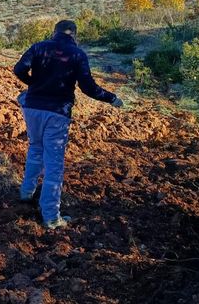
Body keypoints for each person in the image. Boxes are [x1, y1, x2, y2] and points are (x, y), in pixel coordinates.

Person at [13, 19, 124, 229]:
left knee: (35, 148)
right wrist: (111, 98)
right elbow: (88, 87)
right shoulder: (78, 54)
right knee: (54, 165)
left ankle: (26, 192)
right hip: (57, 112)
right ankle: (51, 217)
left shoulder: (38, 47)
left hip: (32, 107)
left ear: (54, 32)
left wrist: (35, 85)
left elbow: (19, 69)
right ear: (74, 35)